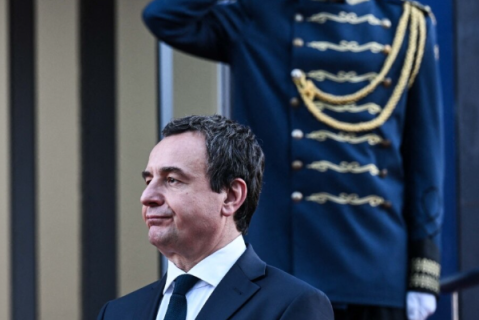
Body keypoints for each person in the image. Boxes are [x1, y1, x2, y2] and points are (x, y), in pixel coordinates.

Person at [142, 0, 444, 320]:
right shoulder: (260, 17)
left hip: (374, 265)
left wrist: (424, 268)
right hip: (283, 264)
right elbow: (165, 15)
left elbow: (424, 158)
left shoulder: (408, 26)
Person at [97, 115, 334, 320]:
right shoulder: (116, 313)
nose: (147, 197)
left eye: (172, 180)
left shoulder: (293, 304)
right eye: (149, 181)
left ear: (231, 196)